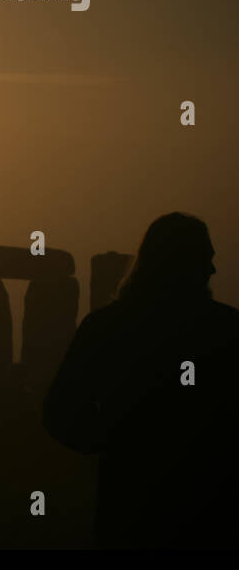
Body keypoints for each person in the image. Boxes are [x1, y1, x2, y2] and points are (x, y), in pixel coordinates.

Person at [44, 213, 239, 548]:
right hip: (210, 499)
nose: (213, 270)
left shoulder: (106, 326)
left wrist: (114, 438)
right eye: (205, 259)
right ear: (180, 263)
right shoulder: (227, 328)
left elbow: (60, 411)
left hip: (129, 499)